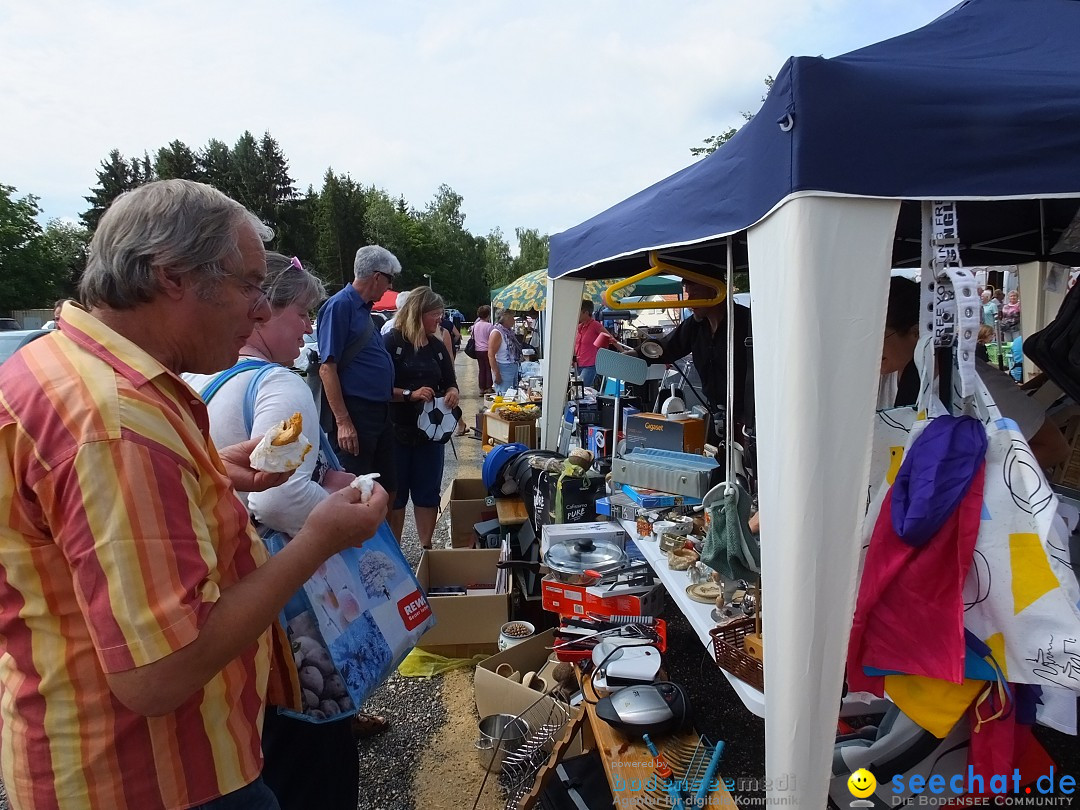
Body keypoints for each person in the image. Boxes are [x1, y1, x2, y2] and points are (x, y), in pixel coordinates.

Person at [0, 179, 389, 809]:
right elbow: (159, 674)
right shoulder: (117, 424)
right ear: (173, 276)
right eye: (249, 285)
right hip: (150, 777)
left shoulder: (60, 368)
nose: (261, 310)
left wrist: (208, 468)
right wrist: (319, 540)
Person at [183, 253, 388, 810]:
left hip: (227, 585)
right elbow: (279, 496)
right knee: (314, 744)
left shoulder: (196, 378)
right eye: (301, 313)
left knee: (265, 733)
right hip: (291, 588)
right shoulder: (280, 385)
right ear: (267, 309)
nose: (306, 328)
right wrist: (349, 515)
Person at [880, 277, 1068, 469]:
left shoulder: (979, 382)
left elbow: (1053, 447)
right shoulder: (880, 378)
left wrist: (970, 482)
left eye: (880, 336)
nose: (868, 349)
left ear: (916, 333)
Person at [318, 245, 401, 505]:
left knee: (386, 489)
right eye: (389, 280)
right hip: (356, 413)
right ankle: (361, 546)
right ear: (377, 276)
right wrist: (343, 422)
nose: (388, 287)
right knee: (357, 492)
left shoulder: (363, 310)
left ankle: (383, 546)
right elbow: (327, 367)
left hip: (378, 412)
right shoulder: (340, 306)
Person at [384, 288, 460, 548]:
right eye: (435, 315)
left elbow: (451, 382)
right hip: (397, 433)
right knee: (395, 498)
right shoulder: (391, 343)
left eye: (440, 314)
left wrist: (451, 393)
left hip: (431, 436)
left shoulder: (437, 346)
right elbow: (379, 389)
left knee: (427, 495)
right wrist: (410, 394)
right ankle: (395, 556)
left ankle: (426, 549)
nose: (439, 320)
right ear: (418, 314)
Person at [642, 276, 752, 438]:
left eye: (694, 293)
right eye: (687, 294)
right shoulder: (695, 325)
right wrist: (635, 353)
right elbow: (667, 347)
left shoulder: (747, 321)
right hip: (715, 414)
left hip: (750, 419)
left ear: (716, 291)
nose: (689, 301)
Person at [489, 307, 523, 395]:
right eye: (512, 318)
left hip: (512, 367)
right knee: (505, 397)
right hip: (503, 369)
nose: (514, 320)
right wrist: (497, 373)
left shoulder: (508, 332)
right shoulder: (497, 333)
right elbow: (491, 355)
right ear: (505, 318)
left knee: (512, 396)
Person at [573, 299, 607, 387]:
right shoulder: (579, 327)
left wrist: (622, 351)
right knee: (579, 390)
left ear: (586, 312)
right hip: (578, 364)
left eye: (579, 312)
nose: (577, 315)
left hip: (590, 364)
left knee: (581, 388)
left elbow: (609, 338)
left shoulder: (595, 325)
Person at [472, 304, 495, 393]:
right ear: (488, 315)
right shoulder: (489, 326)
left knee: (481, 369)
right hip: (487, 349)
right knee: (488, 368)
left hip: (478, 350)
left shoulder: (475, 325)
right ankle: (489, 387)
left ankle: (481, 388)